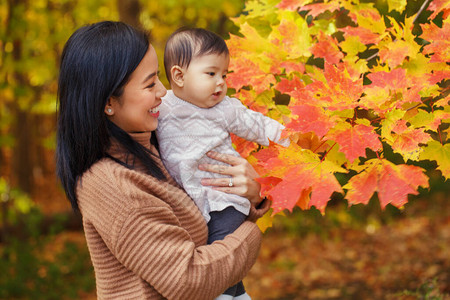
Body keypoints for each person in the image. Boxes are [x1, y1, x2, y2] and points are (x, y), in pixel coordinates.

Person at [56, 21, 270, 300]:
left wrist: (249, 196)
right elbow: (187, 279)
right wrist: (250, 233)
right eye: (149, 84)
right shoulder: (110, 183)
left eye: (159, 77)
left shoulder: (159, 148)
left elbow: (208, 218)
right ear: (109, 101)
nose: (162, 91)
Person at [156, 28, 288, 300]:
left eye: (224, 75)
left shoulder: (224, 109)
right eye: (211, 73)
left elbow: (258, 125)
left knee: (221, 253)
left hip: (223, 199)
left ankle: (225, 296)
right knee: (209, 258)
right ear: (179, 76)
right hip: (189, 202)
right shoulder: (161, 108)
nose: (221, 82)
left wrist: (292, 138)